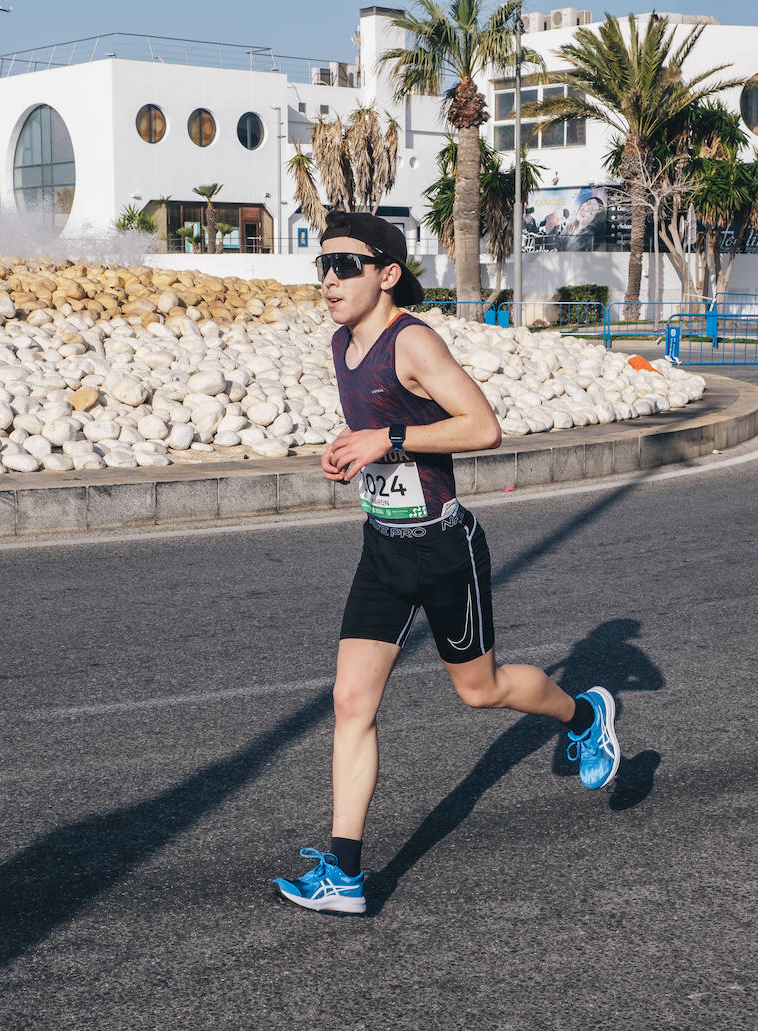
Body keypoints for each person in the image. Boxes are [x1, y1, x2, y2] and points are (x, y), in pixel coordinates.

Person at [271, 211, 620, 915]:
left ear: (387, 274)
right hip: (382, 546)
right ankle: (344, 873)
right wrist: (351, 447)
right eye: (323, 264)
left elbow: (482, 426)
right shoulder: (343, 344)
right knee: (350, 702)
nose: (330, 279)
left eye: (347, 265)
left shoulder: (413, 341)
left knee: (481, 690)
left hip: (441, 548)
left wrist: (388, 438)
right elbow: (381, 430)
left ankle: (584, 714)